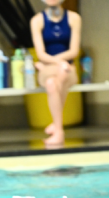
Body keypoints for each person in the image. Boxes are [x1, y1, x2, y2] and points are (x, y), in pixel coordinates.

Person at [30, 0, 81, 149]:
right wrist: (59, 63)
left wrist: (61, 64)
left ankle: (57, 127)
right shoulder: (37, 20)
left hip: (68, 68)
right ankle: (59, 129)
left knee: (59, 78)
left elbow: (74, 51)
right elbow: (41, 53)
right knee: (54, 79)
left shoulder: (73, 18)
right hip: (49, 68)